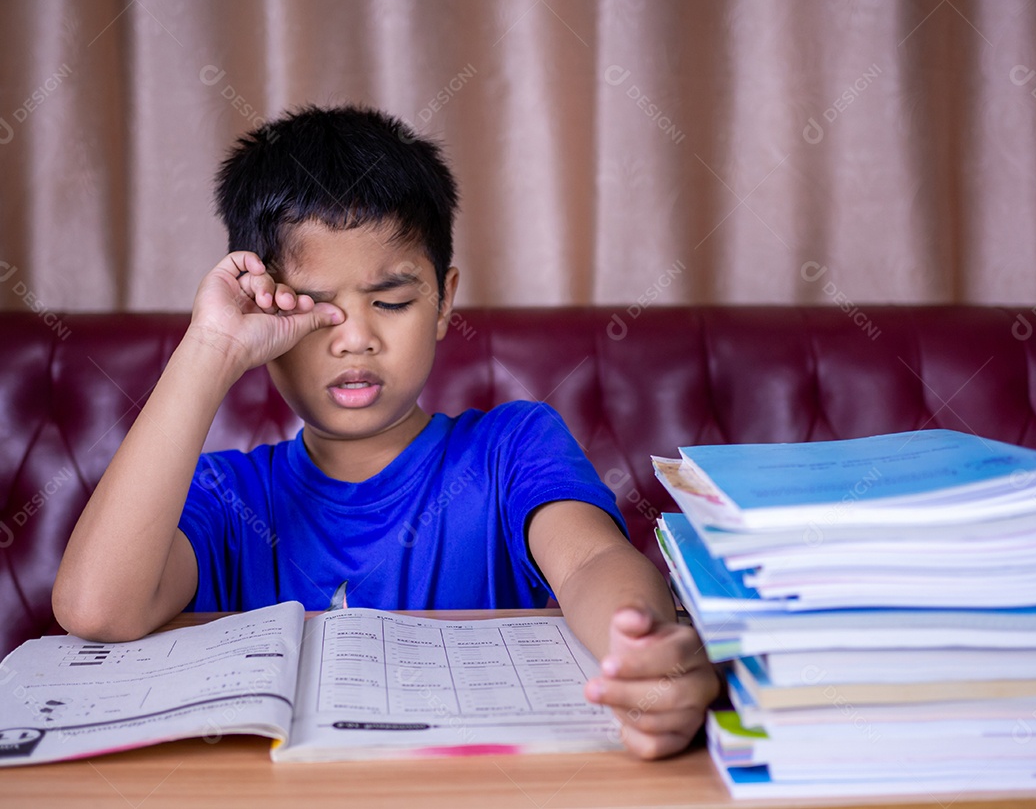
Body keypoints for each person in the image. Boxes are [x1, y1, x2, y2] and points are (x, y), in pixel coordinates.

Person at [52, 104, 719, 759]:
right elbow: (97, 609)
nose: (356, 339)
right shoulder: (226, 496)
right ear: (264, 308)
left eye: (391, 302)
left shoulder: (512, 447)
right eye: (316, 308)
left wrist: (641, 650)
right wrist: (211, 348)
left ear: (444, 301)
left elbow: (591, 561)